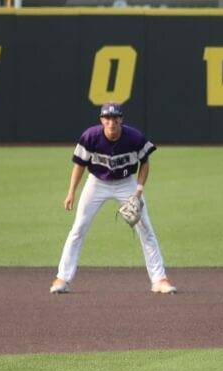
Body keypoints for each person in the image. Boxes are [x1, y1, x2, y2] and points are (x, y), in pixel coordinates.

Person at [51, 101, 176, 296]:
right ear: (102, 120)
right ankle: (62, 278)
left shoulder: (134, 137)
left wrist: (139, 189)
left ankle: (159, 279)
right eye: (107, 118)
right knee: (78, 229)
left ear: (121, 119)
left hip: (126, 183)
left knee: (146, 229)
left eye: (115, 118)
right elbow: (80, 165)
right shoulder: (90, 137)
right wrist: (71, 192)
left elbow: (145, 162)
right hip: (96, 183)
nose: (111, 122)